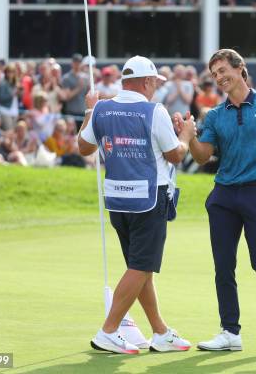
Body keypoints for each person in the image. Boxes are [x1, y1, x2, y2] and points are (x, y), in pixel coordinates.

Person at [184, 49, 256, 351]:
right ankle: (230, 332)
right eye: (214, 74)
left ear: (240, 70)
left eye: (223, 70)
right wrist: (189, 137)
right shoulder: (215, 115)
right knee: (223, 266)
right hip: (223, 194)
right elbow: (202, 157)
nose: (219, 77)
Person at [78, 55, 195, 354]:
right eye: (155, 83)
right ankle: (109, 330)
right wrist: (185, 134)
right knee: (142, 267)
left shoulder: (102, 107)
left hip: (117, 200)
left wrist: (90, 110)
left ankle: (160, 332)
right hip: (148, 199)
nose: (156, 87)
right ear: (145, 82)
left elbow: (84, 147)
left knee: (140, 268)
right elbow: (176, 155)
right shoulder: (154, 110)